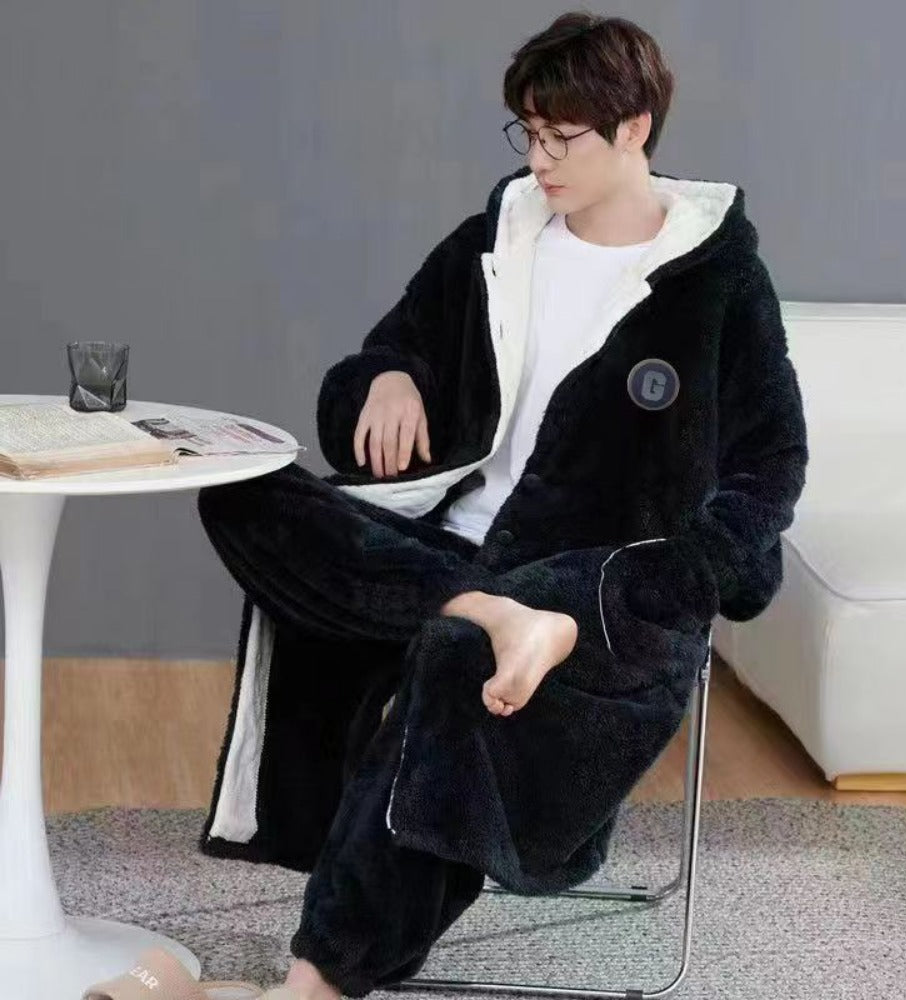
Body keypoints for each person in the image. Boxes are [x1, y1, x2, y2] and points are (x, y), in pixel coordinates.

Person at [195, 10, 808, 1000]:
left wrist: (666, 581)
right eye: (528, 132)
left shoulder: (716, 280)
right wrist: (388, 378)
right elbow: (382, 357)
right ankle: (488, 610)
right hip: (449, 547)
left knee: (453, 657)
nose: (539, 158)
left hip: (590, 586)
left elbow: (771, 464)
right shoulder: (499, 239)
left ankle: (314, 983)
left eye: (563, 137)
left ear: (635, 127)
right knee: (242, 488)